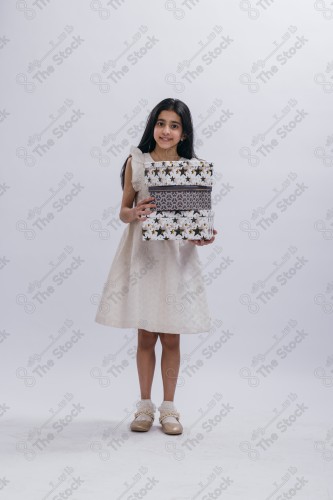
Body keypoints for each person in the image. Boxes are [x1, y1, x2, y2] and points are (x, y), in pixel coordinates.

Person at [95, 97, 217, 435]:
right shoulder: (137, 161)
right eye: (161, 123)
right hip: (144, 257)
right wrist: (134, 214)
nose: (166, 130)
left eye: (174, 125)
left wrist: (202, 235)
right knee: (146, 334)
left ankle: (169, 408)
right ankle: (145, 406)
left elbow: (195, 220)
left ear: (184, 133)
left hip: (175, 259)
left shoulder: (192, 168)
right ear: (153, 126)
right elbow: (123, 210)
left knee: (172, 337)